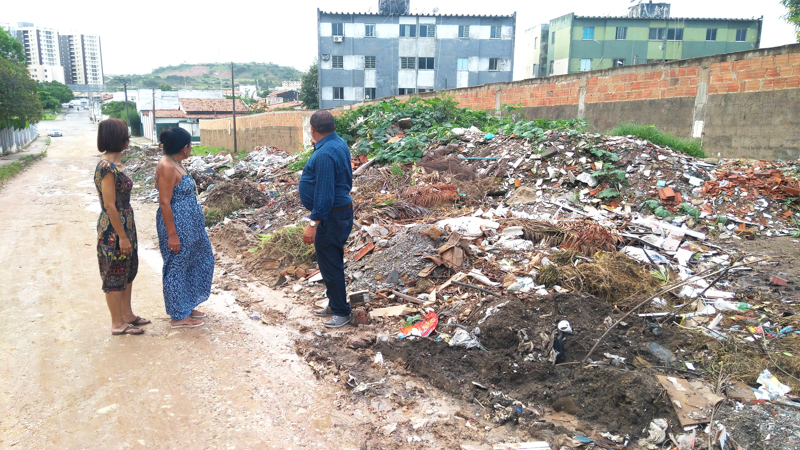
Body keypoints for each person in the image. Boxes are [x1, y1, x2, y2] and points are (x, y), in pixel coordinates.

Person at [155, 127, 214, 328]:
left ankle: (187, 305)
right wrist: (172, 235)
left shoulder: (176, 163)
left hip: (191, 224)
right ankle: (178, 315)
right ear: (185, 147)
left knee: (199, 260)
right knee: (177, 266)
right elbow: (164, 202)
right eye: (190, 146)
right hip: (177, 224)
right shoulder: (166, 166)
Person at [95, 118, 149, 335]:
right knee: (114, 273)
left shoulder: (116, 165)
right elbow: (109, 204)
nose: (128, 139)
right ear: (119, 138)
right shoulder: (106, 167)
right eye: (125, 135)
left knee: (128, 270)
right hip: (114, 228)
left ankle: (128, 315)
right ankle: (117, 323)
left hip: (126, 223)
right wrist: (122, 237)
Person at [300, 110, 354, 328]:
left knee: (331, 264)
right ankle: (334, 303)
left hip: (331, 216)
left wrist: (313, 223)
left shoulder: (324, 154)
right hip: (339, 212)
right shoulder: (338, 143)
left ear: (312, 129)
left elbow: (324, 193)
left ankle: (341, 311)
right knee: (330, 261)